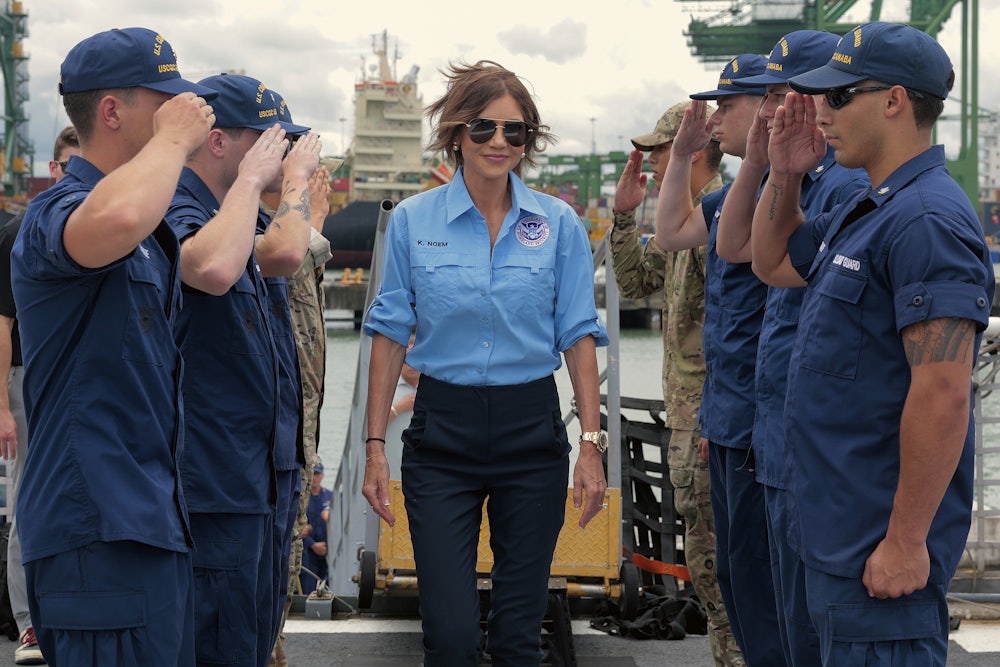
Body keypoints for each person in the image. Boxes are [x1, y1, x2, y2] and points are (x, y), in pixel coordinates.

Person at [750, 22, 994, 665]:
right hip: (833, 532)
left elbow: (943, 393)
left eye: (838, 97)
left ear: (893, 100)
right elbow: (772, 264)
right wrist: (784, 175)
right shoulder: (871, 210)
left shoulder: (927, 221)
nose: (820, 114)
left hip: (878, 551)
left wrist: (908, 541)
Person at [362, 60, 609, 666]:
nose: (499, 142)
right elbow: (391, 334)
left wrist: (593, 446)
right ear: (456, 134)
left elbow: (579, 333)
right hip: (442, 434)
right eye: (483, 128)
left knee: (519, 637)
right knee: (448, 636)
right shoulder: (413, 223)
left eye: (514, 131)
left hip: (532, 433)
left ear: (528, 140)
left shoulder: (559, 225)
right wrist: (373, 444)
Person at [10, 27, 217, 666]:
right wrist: (178, 141)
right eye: (167, 102)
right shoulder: (57, 215)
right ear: (111, 112)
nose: (185, 114)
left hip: (147, 518)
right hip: (95, 526)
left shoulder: (149, 227)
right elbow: (117, 219)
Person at [714, 30, 870, 666]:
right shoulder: (798, 173)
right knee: (759, 602)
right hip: (771, 433)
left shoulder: (838, 184)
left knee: (801, 630)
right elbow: (737, 249)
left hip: (806, 447)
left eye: (789, 93)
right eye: (772, 95)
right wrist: (762, 162)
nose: (777, 107)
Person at [163, 72, 314, 667]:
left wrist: (282, 188)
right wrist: (288, 181)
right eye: (268, 139)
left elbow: (283, 252)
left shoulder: (244, 214)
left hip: (265, 473)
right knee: (216, 640)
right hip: (215, 475)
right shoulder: (177, 205)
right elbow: (215, 268)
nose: (281, 153)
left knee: (252, 635)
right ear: (219, 141)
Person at [652, 55, 785, 666]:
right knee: (735, 576)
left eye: (728, 105)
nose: (717, 118)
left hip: (769, 430)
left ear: (771, 105)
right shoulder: (737, 192)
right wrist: (679, 158)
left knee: (771, 590)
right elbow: (671, 232)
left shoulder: (804, 191)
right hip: (728, 421)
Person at [608, 102, 743, 666]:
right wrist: (623, 218)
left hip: (715, 420)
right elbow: (637, 281)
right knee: (706, 555)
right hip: (693, 418)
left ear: (694, 149)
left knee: (720, 559)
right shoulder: (687, 217)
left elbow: (741, 333)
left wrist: (717, 416)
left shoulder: (727, 214)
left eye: (657, 152)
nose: (651, 163)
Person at [0, 125, 79, 666]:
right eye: (70, 168)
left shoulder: (96, 226)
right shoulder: (21, 230)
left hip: (77, 378)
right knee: (30, 493)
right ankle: (30, 623)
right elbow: (1, 325)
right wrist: (2, 407)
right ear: (54, 170)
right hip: (28, 379)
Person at [251, 88, 319, 661]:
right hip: (250, 468)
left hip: (288, 457)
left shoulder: (274, 223)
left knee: (274, 601)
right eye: (283, 143)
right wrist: (298, 201)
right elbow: (285, 262)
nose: (294, 155)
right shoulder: (239, 226)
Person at [269, 156, 332, 667]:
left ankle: (272, 647)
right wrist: (307, 230)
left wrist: (313, 232)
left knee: (276, 579)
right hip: (269, 443)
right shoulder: (247, 233)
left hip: (292, 440)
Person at [300, 461, 333, 594]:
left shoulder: (329, 496)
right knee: (309, 584)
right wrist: (313, 545)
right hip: (308, 549)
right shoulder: (302, 498)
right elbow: (299, 528)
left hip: (326, 549)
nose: (314, 477)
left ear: (322, 476)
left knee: (327, 583)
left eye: (317, 474)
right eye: (312, 474)